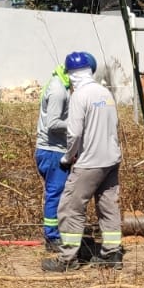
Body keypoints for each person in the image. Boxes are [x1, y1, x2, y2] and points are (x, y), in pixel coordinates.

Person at [43, 51, 124, 271]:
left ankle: (68, 259)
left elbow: (74, 133)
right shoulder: (105, 92)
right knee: (108, 206)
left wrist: (68, 157)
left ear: (70, 75)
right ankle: (112, 254)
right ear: (90, 70)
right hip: (111, 160)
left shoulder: (80, 96)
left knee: (70, 207)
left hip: (90, 162)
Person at [33, 60, 72, 251]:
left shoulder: (60, 84)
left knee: (57, 194)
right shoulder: (58, 90)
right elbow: (53, 123)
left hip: (53, 150)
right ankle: (52, 237)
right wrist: (77, 123)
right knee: (55, 195)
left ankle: (55, 233)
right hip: (52, 151)